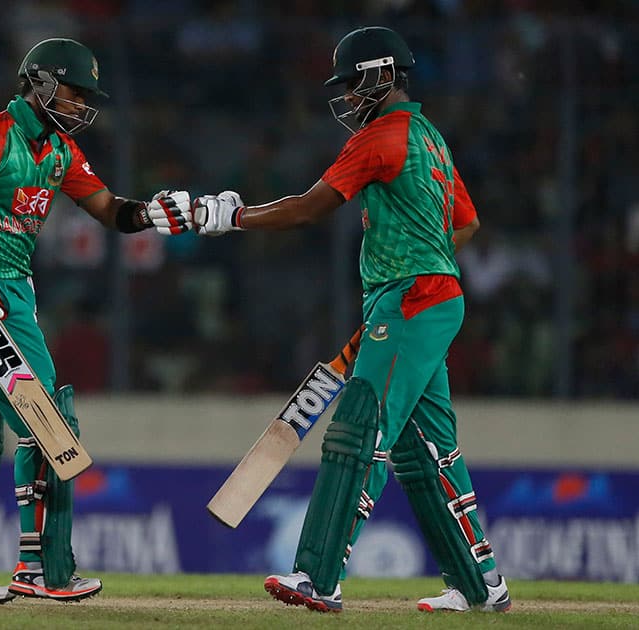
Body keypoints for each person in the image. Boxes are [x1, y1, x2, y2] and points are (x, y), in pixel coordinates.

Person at [193, 26, 510, 614]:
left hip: (410, 298)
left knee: (361, 429)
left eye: (354, 82)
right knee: (429, 448)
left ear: (384, 75)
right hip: (429, 297)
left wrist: (232, 218)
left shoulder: (381, 136)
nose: (346, 96)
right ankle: (480, 583)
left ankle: (318, 577)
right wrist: (425, 265)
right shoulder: (428, 136)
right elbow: (465, 223)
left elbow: (308, 209)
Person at [0, 37, 192, 604]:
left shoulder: (60, 151)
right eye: (74, 89)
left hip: (9, 297)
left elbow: (108, 210)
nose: (82, 103)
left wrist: (150, 214)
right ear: (39, 82)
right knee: (49, 425)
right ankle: (42, 569)